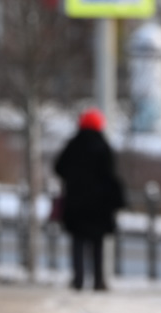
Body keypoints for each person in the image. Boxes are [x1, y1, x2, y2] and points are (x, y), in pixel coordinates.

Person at [54, 108, 126, 291]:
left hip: (76, 202)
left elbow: (59, 168)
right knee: (97, 243)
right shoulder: (103, 145)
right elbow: (110, 174)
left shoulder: (73, 145)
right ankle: (98, 281)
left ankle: (78, 280)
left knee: (77, 242)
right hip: (99, 205)